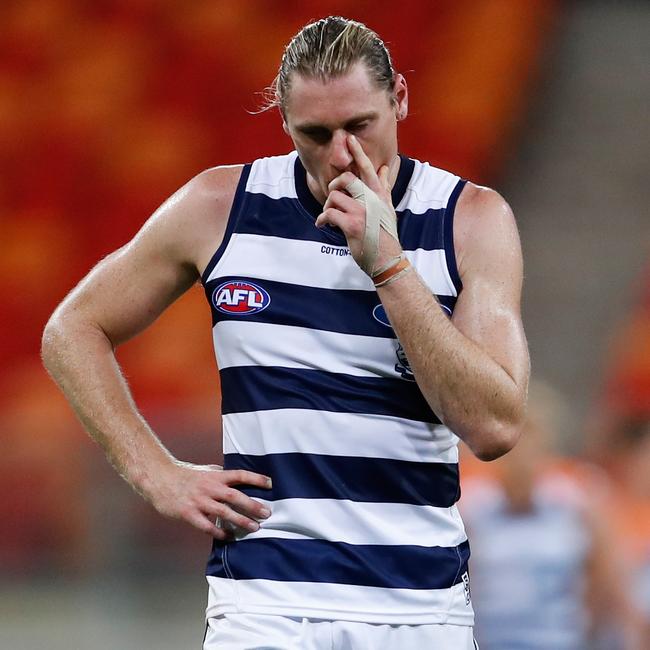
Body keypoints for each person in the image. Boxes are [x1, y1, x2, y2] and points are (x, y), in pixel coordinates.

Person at [41, 16, 529, 650]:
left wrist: (389, 266)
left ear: (400, 99)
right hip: (264, 603)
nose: (340, 155)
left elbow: (494, 427)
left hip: (418, 607)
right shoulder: (221, 206)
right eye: (315, 134)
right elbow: (72, 328)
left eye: (360, 126)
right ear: (283, 123)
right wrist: (155, 473)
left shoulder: (470, 219)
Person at [460, 382, 646, 650]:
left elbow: (610, 578)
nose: (523, 458)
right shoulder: (474, 505)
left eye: (532, 445)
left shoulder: (578, 500)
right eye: (515, 449)